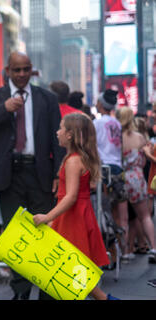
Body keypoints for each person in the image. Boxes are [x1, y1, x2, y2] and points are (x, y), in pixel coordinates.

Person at [0, 52, 65, 300]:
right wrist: (4, 109)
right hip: (8, 174)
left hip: (40, 173)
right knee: (16, 235)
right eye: (17, 70)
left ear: (32, 70)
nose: (22, 74)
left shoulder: (47, 98)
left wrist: (59, 172)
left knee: (44, 231)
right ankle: (21, 291)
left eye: (26, 69)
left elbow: (58, 139)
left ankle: (47, 290)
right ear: (7, 71)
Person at [33, 113, 119, 300]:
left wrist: (48, 217)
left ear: (70, 134)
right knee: (74, 268)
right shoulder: (78, 158)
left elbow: (70, 196)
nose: (57, 132)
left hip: (73, 217)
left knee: (69, 267)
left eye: (61, 128)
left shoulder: (73, 160)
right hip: (77, 214)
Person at [117, 107, 156, 263]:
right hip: (137, 177)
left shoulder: (116, 138)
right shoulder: (139, 137)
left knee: (123, 218)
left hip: (121, 177)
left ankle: (125, 252)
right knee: (145, 216)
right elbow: (145, 159)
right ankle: (153, 247)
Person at [93, 89, 129, 261]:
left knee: (105, 212)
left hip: (105, 169)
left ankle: (112, 255)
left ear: (101, 104)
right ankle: (125, 250)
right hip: (117, 168)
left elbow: (93, 145)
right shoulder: (116, 123)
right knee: (121, 214)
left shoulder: (97, 123)